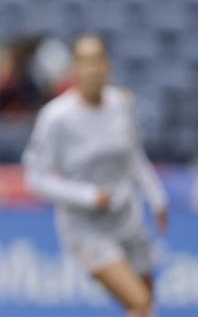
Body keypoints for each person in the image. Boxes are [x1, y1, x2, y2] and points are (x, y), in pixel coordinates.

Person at [23, 36, 168, 317]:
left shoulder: (120, 104)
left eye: (98, 61)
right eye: (85, 62)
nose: (93, 69)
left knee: (146, 305)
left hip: (128, 218)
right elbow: (35, 179)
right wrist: (87, 195)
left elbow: (133, 156)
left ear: (107, 65)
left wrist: (156, 197)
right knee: (139, 302)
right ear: (75, 69)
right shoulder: (56, 118)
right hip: (87, 228)